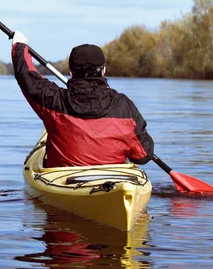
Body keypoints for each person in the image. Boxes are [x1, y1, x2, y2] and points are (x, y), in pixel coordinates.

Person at [10, 32, 154, 167]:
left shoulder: (55, 100)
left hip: (63, 178)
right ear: (103, 70)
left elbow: (28, 78)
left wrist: (20, 46)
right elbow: (142, 156)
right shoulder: (123, 105)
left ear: (71, 72)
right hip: (114, 178)